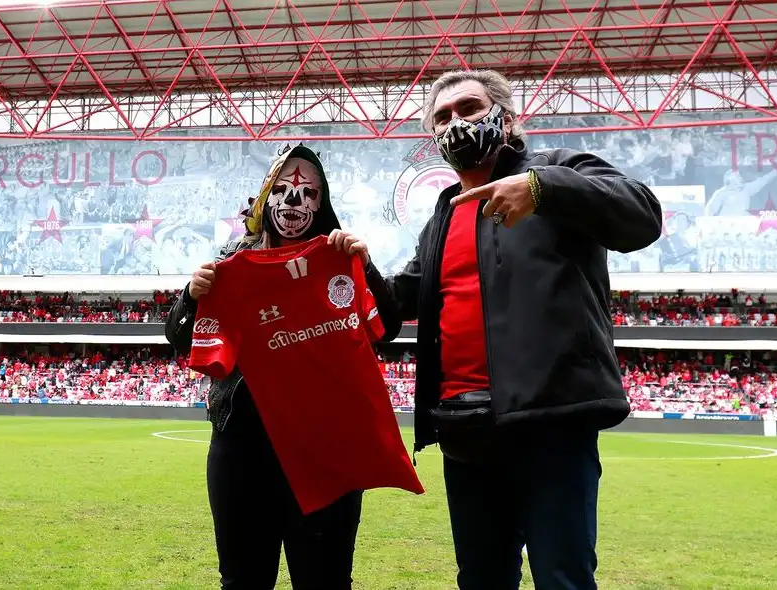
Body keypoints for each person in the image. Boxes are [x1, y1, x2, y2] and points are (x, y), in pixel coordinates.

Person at [329, 69, 662, 590]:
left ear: (506, 120)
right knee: (481, 579)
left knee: (563, 579)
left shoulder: (556, 168)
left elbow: (643, 215)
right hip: (465, 430)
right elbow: (397, 307)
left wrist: (542, 188)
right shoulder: (444, 214)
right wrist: (360, 268)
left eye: (468, 108)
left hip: (550, 422)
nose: (455, 123)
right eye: (442, 118)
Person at [165, 144, 405, 590]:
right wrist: (191, 297)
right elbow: (180, 337)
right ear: (265, 196)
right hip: (244, 449)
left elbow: (387, 327)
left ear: (322, 202)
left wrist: (366, 267)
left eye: (309, 193)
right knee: (243, 580)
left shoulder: (338, 254)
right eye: (282, 189)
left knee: (325, 580)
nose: (294, 200)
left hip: (326, 448)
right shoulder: (230, 261)